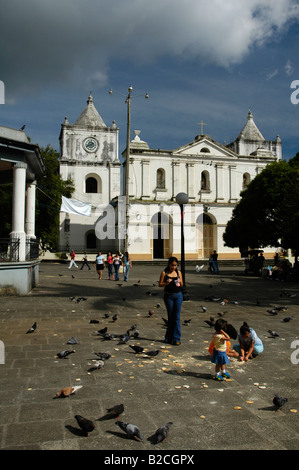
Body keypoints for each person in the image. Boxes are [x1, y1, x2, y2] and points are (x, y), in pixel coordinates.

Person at [159, 256, 183, 346]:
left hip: (178, 295)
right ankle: (169, 337)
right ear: (169, 264)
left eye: (175, 265)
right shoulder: (164, 273)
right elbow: (160, 284)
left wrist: (179, 282)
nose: (174, 267)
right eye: (172, 265)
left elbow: (182, 284)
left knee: (176, 317)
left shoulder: (178, 272)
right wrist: (166, 283)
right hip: (168, 296)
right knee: (170, 317)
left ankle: (176, 338)